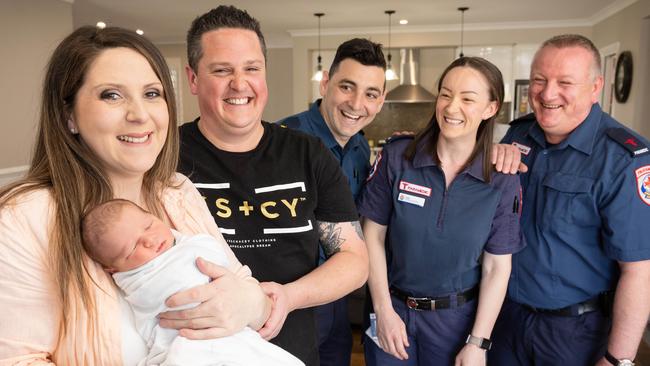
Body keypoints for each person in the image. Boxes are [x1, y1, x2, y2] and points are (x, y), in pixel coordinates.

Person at [0, 26, 270, 365]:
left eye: (152, 94)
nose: (140, 114)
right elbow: (17, 360)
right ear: (69, 115)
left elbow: (252, 298)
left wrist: (249, 303)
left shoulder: (177, 192)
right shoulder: (26, 217)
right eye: (111, 95)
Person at [175, 6, 369, 365]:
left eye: (251, 68)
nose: (239, 83)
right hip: (194, 353)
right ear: (193, 78)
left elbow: (355, 260)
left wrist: (287, 297)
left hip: (291, 353)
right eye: (222, 70)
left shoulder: (306, 153)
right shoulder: (164, 155)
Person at [489, 34, 650, 366]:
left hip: (574, 334)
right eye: (539, 80)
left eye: (565, 82)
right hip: (505, 320)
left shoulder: (624, 159)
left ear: (595, 87)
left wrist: (618, 359)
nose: (548, 94)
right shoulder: (517, 135)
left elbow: (640, 271)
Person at [358, 56, 525, 365]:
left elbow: (496, 268)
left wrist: (478, 342)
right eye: (446, 94)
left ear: (491, 108)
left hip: (456, 322)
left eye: (467, 99)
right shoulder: (397, 157)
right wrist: (383, 310)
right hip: (392, 310)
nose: (451, 107)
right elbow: (372, 235)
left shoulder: (502, 181)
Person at [81, 199, 303, 366]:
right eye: (132, 248)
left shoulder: (180, 197)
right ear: (114, 270)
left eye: (148, 225)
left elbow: (223, 264)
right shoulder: (136, 280)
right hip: (182, 345)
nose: (150, 240)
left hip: (232, 335)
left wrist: (251, 300)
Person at [277, 37, 386, 366]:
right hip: (291, 295)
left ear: (381, 101)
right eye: (346, 87)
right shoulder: (285, 140)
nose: (356, 103)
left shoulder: (360, 147)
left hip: (337, 292)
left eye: (370, 94)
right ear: (326, 83)